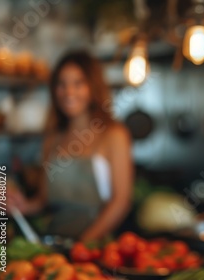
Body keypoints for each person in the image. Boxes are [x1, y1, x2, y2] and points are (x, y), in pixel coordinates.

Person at [8, 50, 133, 241]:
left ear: (93, 87)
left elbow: (120, 202)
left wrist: (83, 245)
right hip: (54, 243)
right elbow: (43, 200)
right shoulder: (52, 139)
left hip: (97, 249)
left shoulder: (114, 135)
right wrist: (22, 206)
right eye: (61, 84)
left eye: (78, 83)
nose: (69, 92)